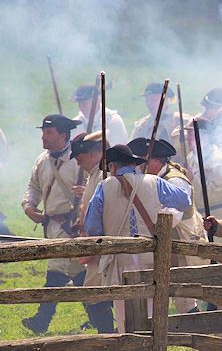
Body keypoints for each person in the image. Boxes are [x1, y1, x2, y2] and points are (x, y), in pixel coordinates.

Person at [83, 144, 191, 332]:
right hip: (151, 257)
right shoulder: (154, 182)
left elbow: (92, 227)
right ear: (134, 164)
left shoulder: (104, 186)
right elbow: (183, 201)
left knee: (123, 315)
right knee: (151, 313)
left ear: (113, 166)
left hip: (119, 258)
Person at [21, 115, 86, 334]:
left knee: (56, 271)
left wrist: (84, 194)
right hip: (52, 226)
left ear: (63, 135)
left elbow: (97, 187)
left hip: (72, 225)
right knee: (79, 273)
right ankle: (102, 319)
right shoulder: (42, 160)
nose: (44, 136)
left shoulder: (79, 161)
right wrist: (29, 206)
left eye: (49, 132)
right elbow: (33, 187)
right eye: (44, 132)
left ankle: (42, 319)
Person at [128, 138, 206, 313]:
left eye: (142, 162)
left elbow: (172, 217)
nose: (139, 167)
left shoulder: (175, 181)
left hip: (182, 244)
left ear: (155, 161)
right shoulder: (155, 179)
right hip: (169, 244)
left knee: (185, 299)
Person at [69, 131, 115, 333]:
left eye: (81, 159)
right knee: (95, 293)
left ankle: (109, 338)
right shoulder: (95, 176)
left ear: (95, 154)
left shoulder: (105, 176)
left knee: (96, 295)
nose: (79, 164)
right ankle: (109, 337)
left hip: (102, 243)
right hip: (94, 242)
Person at [182, 118, 222, 218]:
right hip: (199, 216)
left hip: (217, 216)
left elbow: (214, 195)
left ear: (204, 137)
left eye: (191, 135)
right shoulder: (191, 157)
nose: (188, 139)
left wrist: (193, 179)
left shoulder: (218, 161)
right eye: (188, 135)